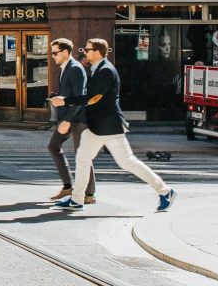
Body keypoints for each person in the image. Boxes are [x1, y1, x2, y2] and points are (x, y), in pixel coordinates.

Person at [51, 38, 175, 212]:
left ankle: (165, 191)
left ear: (98, 51)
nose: (84, 52)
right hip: (97, 125)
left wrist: (66, 101)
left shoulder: (106, 71)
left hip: (108, 125)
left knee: (127, 162)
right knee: (83, 158)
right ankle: (77, 200)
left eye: (87, 50)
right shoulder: (98, 69)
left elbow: (95, 97)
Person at [46, 38, 95, 204]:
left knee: (83, 155)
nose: (53, 56)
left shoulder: (75, 68)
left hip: (79, 119)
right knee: (53, 146)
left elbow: (80, 98)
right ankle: (68, 186)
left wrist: (67, 120)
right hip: (69, 117)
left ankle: (89, 195)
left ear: (66, 52)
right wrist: (56, 98)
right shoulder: (64, 68)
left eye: (55, 52)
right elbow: (70, 95)